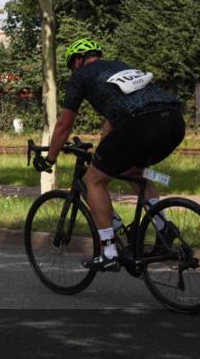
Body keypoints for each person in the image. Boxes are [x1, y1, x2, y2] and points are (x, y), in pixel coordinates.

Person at [32, 38, 184, 272]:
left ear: (78, 61)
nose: (73, 69)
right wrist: (103, 155)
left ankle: (109, 252)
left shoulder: (81, 75)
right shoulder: (121, 66)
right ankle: (163, 226)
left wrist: (50, 158)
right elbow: (113, 120)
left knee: (92, 181)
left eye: (72, 65)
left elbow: (64, 124)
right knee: (134, 169)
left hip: (140, 125)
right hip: (173, 122)